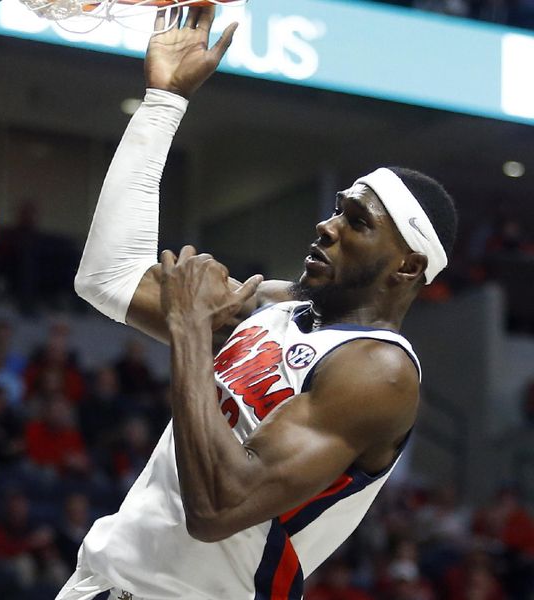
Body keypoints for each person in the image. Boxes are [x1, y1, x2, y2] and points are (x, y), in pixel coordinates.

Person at [58, 6, 458, 600]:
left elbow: (221, 504)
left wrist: (192, 333)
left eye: (355, 221)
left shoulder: (379, 372)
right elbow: (109, 276)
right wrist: (164, 101)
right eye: (336, 208)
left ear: (407, 266)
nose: (326, 226)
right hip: (97, 584)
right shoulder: (274, 306)